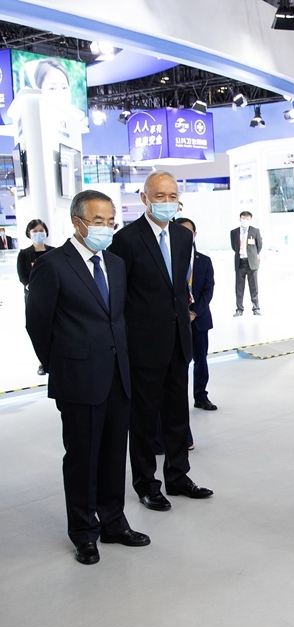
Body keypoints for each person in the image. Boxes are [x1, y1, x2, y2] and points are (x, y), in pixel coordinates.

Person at [25, 190, 150, 565]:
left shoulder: (115, 263)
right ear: (77, 223)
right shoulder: (52, 265)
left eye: (111, 221)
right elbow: (38, 324)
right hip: (78, 377)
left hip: (117, 375)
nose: (106, 228)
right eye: (98, 221)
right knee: (83, 458)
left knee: (113, 453)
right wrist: (61, 364)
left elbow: (118, 318)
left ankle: (113, 522)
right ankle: (84, 532)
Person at [108, 171, 213, 510]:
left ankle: (178, 476)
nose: (167, 202)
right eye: (160, 196)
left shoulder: (182, 237)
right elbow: (120, 297)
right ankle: (146, 484)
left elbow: (179, 289)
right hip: (143, 346)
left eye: (172, 196)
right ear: (144, 198)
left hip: (178, 341)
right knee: (142, 419)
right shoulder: (126, 240)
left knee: (177, 414)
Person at [175, 218, 217, 412]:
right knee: (179, 362)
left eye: (188, 232)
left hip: (199, 319)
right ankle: (177, 399)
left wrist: (194, 312)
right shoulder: (171, 261)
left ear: (195, 234)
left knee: (201, 360)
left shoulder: (204, 261)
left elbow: (208, 290)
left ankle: (201, 396)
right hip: (176, 320)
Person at [17, 219, 55, 375]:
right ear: (29, 233)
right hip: (34, 298)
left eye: (41, 231)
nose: (38, 234)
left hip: (54, 297)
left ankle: (55, 359)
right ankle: (41, 361)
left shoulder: (54, 252)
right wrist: (33, 287)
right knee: (38, 329)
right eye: (35, 231)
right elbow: (23, 276)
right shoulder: (24, 254)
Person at [230, 211, 262, 317]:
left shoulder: (255, 231)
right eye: (243, 218)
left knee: (254, 287)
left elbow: (259, 245)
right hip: (240, 262)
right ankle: (239, 309)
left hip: (251, 262)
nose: (245, 220)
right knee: (239, 288)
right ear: (240, 219)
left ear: (250, 220)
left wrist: (254, 255)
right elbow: (234, 246)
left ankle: (256, 308)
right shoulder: (234, 232)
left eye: (247, 219)